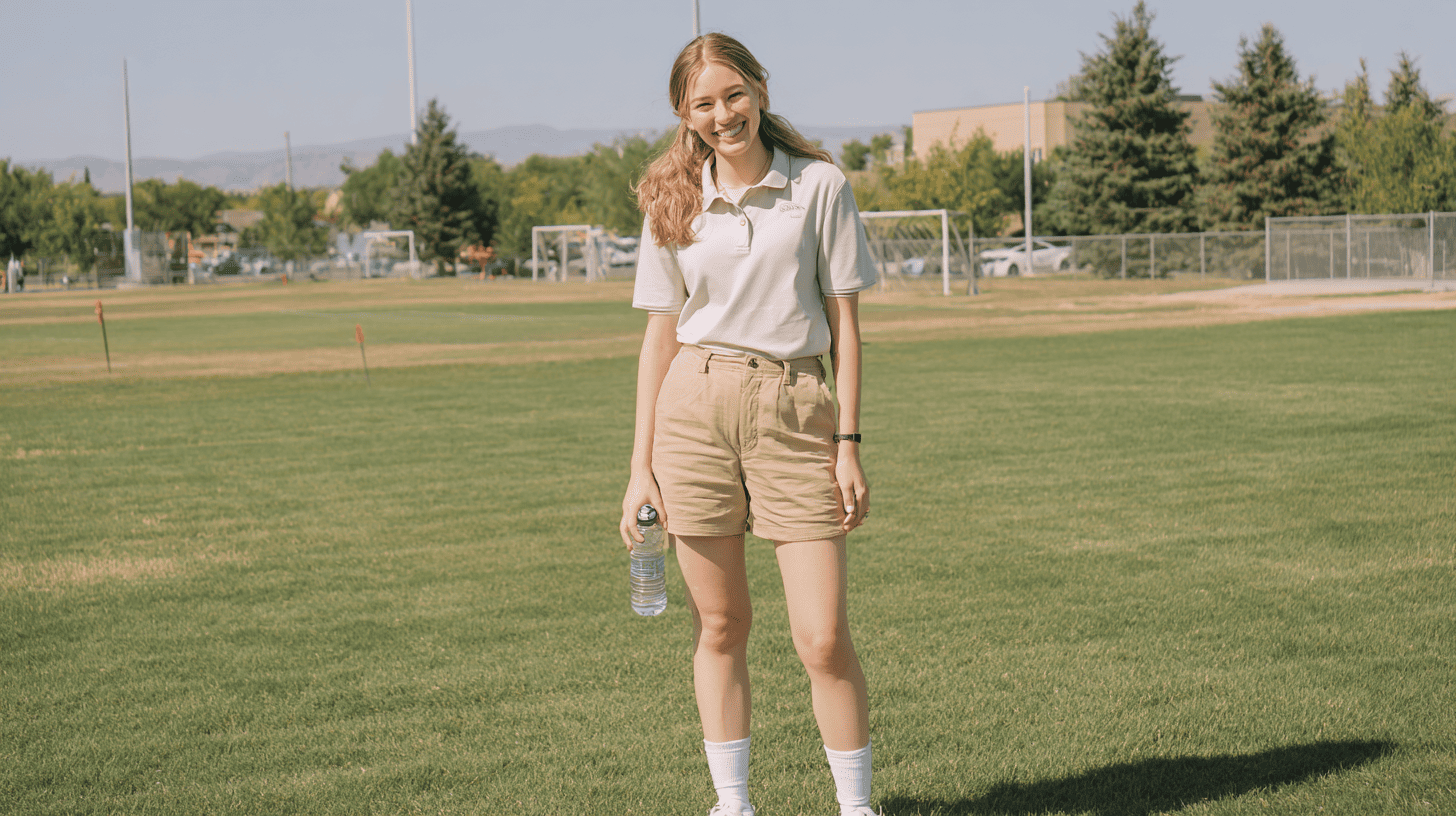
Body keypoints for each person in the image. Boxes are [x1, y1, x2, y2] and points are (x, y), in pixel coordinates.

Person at [619, 32, 881, 816]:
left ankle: (856, 808)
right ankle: (733, 805)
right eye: (703, 103)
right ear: (683, 113)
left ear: (760, 90)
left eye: (733, 94)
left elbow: (848, 328)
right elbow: (660, 334)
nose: (722, 114)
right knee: (722, 623)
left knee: (823, 637)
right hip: (690, 412)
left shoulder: (820, 186)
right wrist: (640, 468)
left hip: (795, 410)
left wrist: (849, 444)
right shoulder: (672, 194)